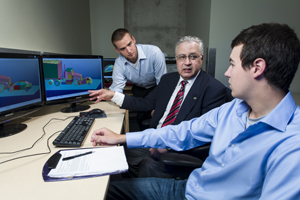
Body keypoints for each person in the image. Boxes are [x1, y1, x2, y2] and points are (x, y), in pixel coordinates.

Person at [91, 23, 300, 199]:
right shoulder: (232, 109)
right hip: (191, 187)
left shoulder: (292, 145)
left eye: (232, 64)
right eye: (181, 57)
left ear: (257, 67)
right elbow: (183, 131)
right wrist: (121, 138)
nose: (227, 73)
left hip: (196, 186)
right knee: (102, 191)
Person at [89, 36, 228, 178]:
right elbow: (145, 103)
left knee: (147, 165)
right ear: (176, 59)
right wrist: (113, 95)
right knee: (114, 152)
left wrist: (167, 146)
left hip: (177, 150)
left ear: (201, 58)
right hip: (153, 138)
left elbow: (202, 134)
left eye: (192, 57)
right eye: (181, 57)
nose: (186, 63)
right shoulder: (169, 80)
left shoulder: (214, 89)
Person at [109, 28, 168, 130]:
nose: (129, 50)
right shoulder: (119, 63)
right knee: (141, 120)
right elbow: (116, 90)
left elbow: (162, 84)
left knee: (159, 118)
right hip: (139, 90)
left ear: (133, 39)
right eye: (122, 49)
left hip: (156, 87)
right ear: (117, 50)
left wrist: (158, 107)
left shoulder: (154, 52)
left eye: (129, 44)